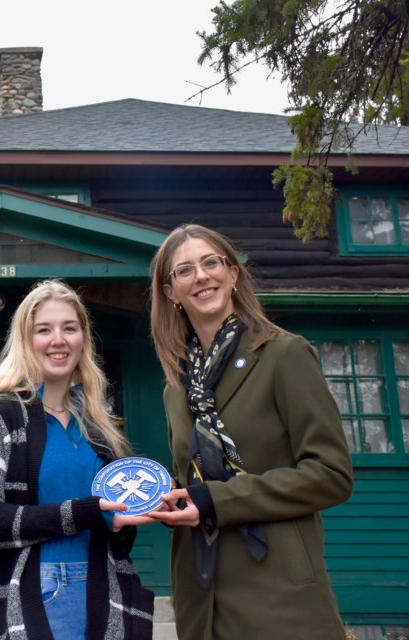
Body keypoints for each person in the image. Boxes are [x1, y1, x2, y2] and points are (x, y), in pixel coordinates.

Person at [146, 224, 354, 640]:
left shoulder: (284, 354)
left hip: (278, 593)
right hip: (201, 597)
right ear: (171, 292)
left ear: (233, 274)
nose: (201, 276)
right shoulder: (177, 387)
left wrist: (215, 499)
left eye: (211, 263)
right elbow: (196, 483)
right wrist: (171, 498)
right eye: (184, 271)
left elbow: (331, 476)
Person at [0, 279, 155, 640]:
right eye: (44, 330)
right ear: (26, 341)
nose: (58, 340)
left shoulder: (96, 425)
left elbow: (110, 517)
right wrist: (84, 512)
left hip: (106, 589)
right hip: (34, 591)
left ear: (83, 340)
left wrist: (132, 513)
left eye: (69, 328)